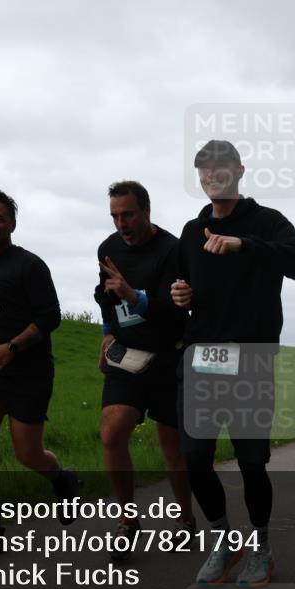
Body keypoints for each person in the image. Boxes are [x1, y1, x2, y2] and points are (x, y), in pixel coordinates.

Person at [171, 140, 295, 587]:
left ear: (239, 171)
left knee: (252, 461)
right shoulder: (192, 231)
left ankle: (263, 549)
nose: (212, 176)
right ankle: (222, 540)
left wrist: (243, 245)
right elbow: (181, 285)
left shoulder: (266, 222)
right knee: (194, 457)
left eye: (220, 168)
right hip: (203, 358)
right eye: (204, 170)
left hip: (251, 357)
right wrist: (179, 295)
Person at [0, 189, 79, 559]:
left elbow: (50, 317)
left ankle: (62, 479)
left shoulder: (29, 266)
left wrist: (12, 348)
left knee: (28, 454)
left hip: (28, 371)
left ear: (12, 224)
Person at [95, 180, 194, 562]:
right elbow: (104, 294)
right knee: (112, 429)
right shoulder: (108, 248)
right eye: (115, 216)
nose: (122, 223)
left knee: (172, 445)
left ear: (146, 211)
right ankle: (127, 520)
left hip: (168, 355)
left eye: (128, 214)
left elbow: (175, 313)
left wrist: (134, 297)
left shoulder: (172, 250)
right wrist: (106, 334)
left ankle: (186, 520)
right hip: (127, 356)